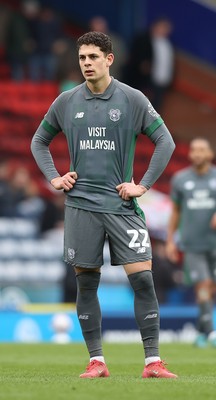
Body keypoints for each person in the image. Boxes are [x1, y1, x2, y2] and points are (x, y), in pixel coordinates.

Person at [31, 31, 177, 379]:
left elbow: (165, 142)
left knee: (143, 281)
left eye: (93, 57)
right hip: (81, 207)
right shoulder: (66, 101)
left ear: (109, 59)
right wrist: (54, 177)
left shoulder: (132, 99)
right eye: (82, 58)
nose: (86, 64)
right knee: (86, 285)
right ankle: (97, 361)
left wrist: (142, 185)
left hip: (120, 205)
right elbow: (40, 141)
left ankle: (152, 363)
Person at [166, 138, 216, 347]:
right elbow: (175, 211)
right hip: (193, 244)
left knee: (210, 287)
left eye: (202, 149)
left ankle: (201, 331)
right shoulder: (180, 179)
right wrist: (170, 240)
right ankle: (212, 332)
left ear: (210, 153)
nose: (197, 153)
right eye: (194, 149)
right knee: (202, 284)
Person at [125, 17, 174, 112]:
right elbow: (137, 59)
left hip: (162, 82)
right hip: (145, 81)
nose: (166, 30)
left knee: (156, 108)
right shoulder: (143, 40)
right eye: (163, 27)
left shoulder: (167, 44)